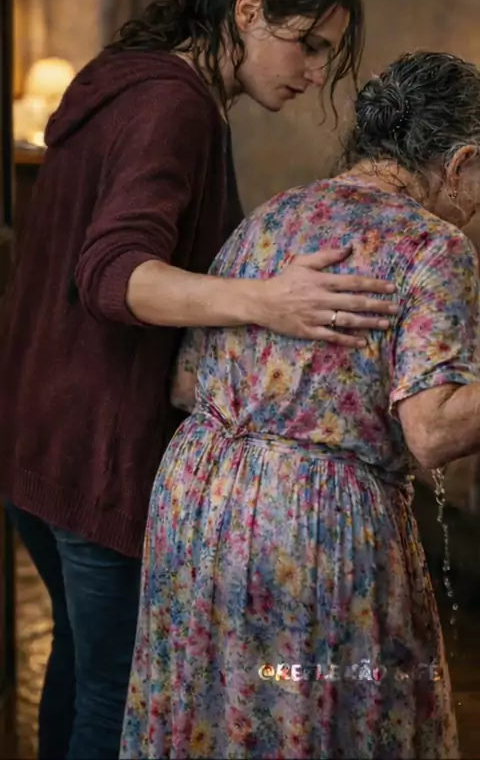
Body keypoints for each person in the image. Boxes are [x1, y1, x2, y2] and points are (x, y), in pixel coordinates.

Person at [0, 0, 399, 760]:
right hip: (95, 447)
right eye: (308, 44)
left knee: (79, 664)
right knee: (113, 691)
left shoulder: (121, 78)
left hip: (34, 434)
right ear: (248, 11)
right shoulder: (173, 105)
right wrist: (269, 301)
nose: (315, 72)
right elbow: (115, 275)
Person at [120, 50, 480, 760]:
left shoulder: (275, 215)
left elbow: (187, 383)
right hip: (312, 524)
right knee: (318, 717)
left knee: (212, 718)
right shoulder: (435, 246)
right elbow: (433, 431)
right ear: (462, 161)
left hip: (197, 503)